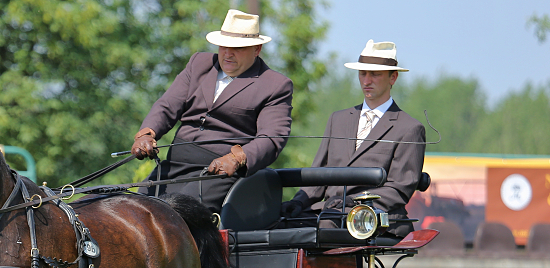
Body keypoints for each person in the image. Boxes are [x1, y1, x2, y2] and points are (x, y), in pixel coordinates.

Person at [131, 9, 293, 212]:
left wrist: (237, 158)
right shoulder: (199, 63)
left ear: (257, 49)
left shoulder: (275, 85)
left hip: (219, 172)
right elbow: (168, 105)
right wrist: (147, 133)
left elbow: (271, 139)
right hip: (174, 163)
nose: (228, 53)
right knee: (136, 208)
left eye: (237, 48)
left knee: (174, 211)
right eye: (223, 46)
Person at [280, 40, 425, 237]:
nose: (366, 81)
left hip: (372, 218)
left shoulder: (409, 128)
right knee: (278, 225)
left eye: (375, 74)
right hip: (329, 214)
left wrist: (354, 203)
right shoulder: (337, 119)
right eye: (362, 73)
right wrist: (298, 201)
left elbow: (399, 189)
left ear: (393, 77)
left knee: (326, 229)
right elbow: (318, 175)